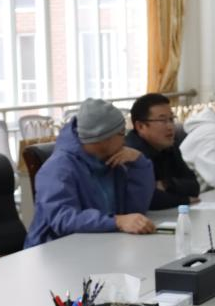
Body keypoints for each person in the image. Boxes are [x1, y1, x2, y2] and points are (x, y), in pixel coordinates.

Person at [25, 97, 156, 247]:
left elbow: (135, 211)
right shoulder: (57, 168)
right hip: (55, 252)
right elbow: (63, 219)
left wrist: (139, 164)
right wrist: (117, 221)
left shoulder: (114, 160)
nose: (124, 140)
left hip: (100, 246)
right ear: (102, 138)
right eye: (121, 133)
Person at [123, 93, 200, 211]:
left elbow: (194, 186)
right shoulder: (131, 153)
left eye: (171, 119)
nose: (170, 127)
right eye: (163, 120)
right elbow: (149, 199)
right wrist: (185, 200)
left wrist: (166, 184)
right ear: (140, 126)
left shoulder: (170, 146)